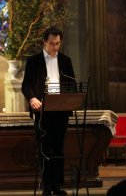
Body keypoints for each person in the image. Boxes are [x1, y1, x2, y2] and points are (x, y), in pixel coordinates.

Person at [21, 26, 75, 196]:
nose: (55, 47)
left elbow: (72, 85)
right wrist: (32, 98)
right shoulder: (34, 61)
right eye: (52, 43)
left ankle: (58, 185)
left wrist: (66, 98)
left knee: (58, 149)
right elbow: (26, 85)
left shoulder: (66, 61)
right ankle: (46, 186)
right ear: (44, 42)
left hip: (60, 111)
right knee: (44, 149)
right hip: (42, 112)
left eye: (58, 43)